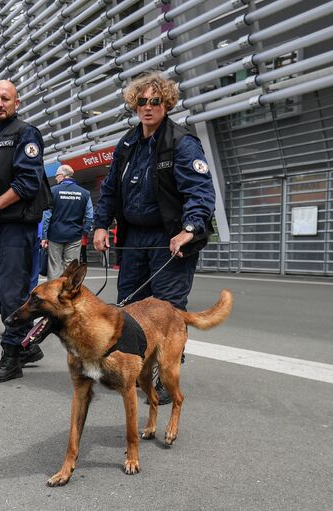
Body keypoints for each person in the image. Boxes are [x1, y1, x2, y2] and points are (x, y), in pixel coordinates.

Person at [92, 71, 216, 404]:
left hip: (169, 240)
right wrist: (101, 225)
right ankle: (135, 370)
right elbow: (109, 191)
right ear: (135, 104)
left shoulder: (181, 142)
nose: (148, 107)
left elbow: (200, 192)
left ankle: (165, 375)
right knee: (130, 308)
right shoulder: (128, 144)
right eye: (142, 101)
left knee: (167, 311)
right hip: (133, 239)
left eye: (155, 101)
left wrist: (188, 230)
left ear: (166, 103)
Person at [0, 79, 52, 383]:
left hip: (16, 226)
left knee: (11, 292)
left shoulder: (25, 133)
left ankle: (12, 356)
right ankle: (25, 345)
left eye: (5, 98)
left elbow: (28, 182)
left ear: (17, 103)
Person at [41, 164, 93, 280]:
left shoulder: (53, 191)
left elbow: (47, 216)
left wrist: (44, 236)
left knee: (54, 268)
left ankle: (53, 295)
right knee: (71, 268)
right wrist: (83, 232)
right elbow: (90, 216)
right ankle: (68, 294)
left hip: (55, 236)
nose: (56, 178)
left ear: (63, 176)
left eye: (57, 175)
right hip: (74, 236)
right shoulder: (85, 193)